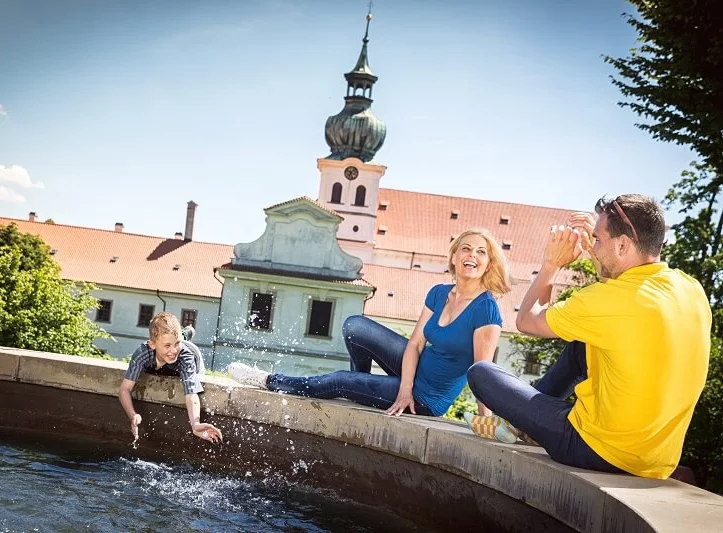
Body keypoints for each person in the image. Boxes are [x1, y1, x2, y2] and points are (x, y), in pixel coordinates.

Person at [466, 194, 711, 479]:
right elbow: (619, 302)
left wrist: (551, 264)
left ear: (622, 244)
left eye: (597, 240)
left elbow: (526, 320)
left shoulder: (609, 300)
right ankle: (518, 427)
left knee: (481, 373)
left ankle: (519, 425)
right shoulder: (691, 289)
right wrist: (603, 251)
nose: (592, 247)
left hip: (595, 449)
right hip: (656, 461)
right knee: (582, 346)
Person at [228, 228, 512, 417]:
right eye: (465, 248)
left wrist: (486, 420)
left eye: (480, 252)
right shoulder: (439, 293)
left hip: (426, 398)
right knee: (355, 326)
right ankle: (360, 389)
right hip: (411, 373)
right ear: (453, 255)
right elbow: (414, 345)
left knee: (338, 380)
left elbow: (482, 375)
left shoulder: (486, 310)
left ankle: (268, 380)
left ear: (488, 263)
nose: (471, 256)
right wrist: (402, 387)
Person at [119, 312, 223, 443]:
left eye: (176, 344)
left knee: (183, 353)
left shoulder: (185, 356)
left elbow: (191, 394)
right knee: (171, 345)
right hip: (162, 362)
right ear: (152, 344)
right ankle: (185, 333)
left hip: (191, 355)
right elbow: (124, 389)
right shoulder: (143, 353)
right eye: (167, 345)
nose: (174, 350)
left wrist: (195, 424)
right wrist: (132, 415)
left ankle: (184, 335)